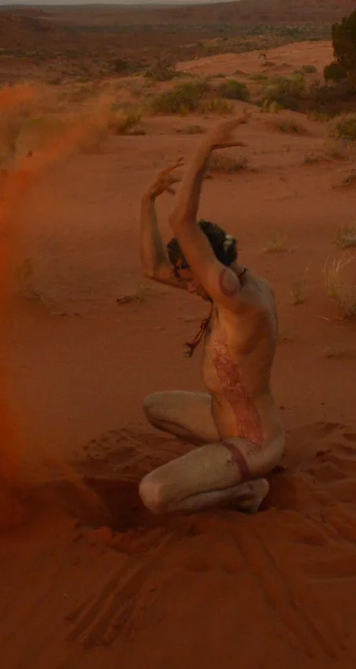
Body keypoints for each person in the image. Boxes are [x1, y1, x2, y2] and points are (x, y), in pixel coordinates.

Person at [134, 114, 283, 515]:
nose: (185, 284)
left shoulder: (238, 300)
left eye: (189, 275)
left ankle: (245, 490)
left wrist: (203, 148)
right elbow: (153, 268)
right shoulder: (233, 286)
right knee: (154, 406)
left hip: (253, 441)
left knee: (155, 494)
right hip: (222, 420)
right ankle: (220, 465)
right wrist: (145, 201)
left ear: (208, 268)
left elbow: (181, 220)